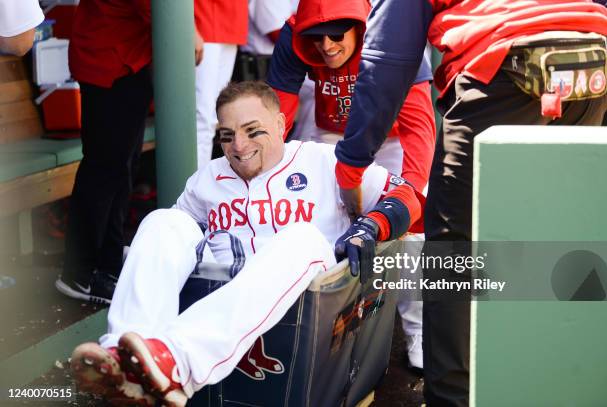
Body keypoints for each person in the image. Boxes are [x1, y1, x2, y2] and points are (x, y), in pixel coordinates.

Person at [69, 81, 425, 407]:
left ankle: (177, 360)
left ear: (281, 123)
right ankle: (125, 361)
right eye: (226, 136)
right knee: (162, 221)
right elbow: (171, 240)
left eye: (253, 131)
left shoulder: (323, 159)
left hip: (306, 296)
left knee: (301, 237)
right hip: (225, 285)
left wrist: (372, 226)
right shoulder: (207, 178)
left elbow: (408, 196)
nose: (238, 146)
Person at [332, 1, 607, 405]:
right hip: (587, 67)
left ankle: (451, 399)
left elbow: (386, 60)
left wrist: (352, 162)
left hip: (503, 70)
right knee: (548, 239)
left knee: (454, 255)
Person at [266, 0, 436, 369]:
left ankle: (418, 332)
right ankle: (322, 326)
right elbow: (275, 119)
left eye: (335, 34)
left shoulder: (392, 34)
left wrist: (410, 195)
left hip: (391, 138)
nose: (325, 45)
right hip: (330, 134)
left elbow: (419, 128)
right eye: (316, 36)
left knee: (411, 233)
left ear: (358, 26)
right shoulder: (292, 35)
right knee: (317, 219)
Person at [55, 0, 201, 305]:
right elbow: (154, 8)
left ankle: (105, 266)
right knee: (105, 169)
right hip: (110, 63)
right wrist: (191, 33)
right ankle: (78, 273)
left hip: (124, 60)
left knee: (122, 167)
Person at [194, 0, 248, 168]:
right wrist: (189, 27)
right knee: (201, 118)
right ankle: (193, 186)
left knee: (213, 118)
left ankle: (201, 182)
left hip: (231, 19)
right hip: (202, 17)